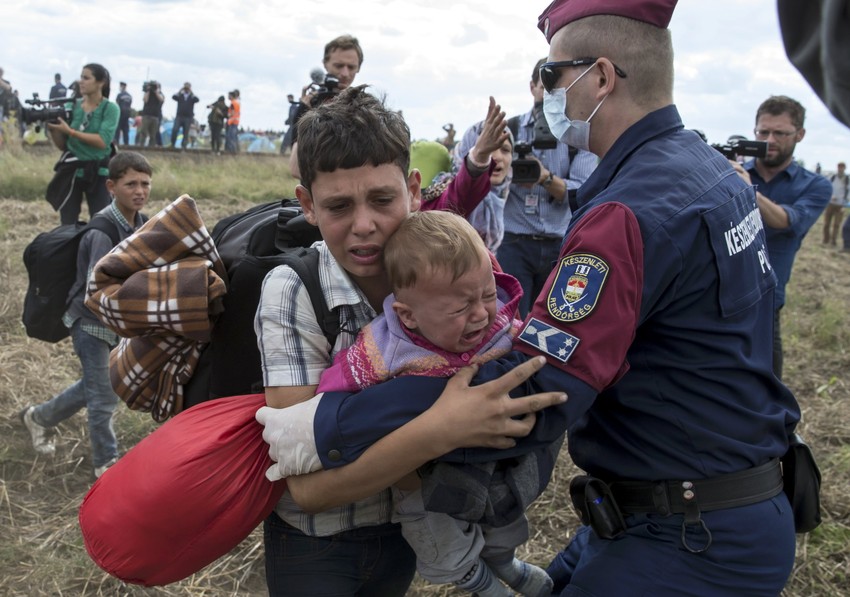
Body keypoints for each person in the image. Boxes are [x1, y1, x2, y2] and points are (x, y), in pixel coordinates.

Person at [258, 1, 807, 595]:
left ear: (599, 77)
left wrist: (332, 422)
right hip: (710, 506)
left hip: (688, 535)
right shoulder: (712, 173)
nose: (545, 91)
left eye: (551, 75)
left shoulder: (627, 211)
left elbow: (533, 386)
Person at [253, 84, 528, 597]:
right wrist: (442, 428)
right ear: (307, 205)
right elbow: (307, 490)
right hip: (317, 545)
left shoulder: (450, 266)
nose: (366, 226)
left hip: (407, 533)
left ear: (415, 189)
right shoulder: (293, 291)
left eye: (383, 199)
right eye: (338, 206)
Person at [311, 210, 550, 597]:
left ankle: (505, 560)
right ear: (409, 315)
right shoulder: (386, 348)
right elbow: (335, 390)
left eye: (488, 294)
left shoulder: (501, 324)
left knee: (505, 516)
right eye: (459, 309)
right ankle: (481, 582)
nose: (481, 314)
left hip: (488, 461)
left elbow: (535, 349)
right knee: (435, 533)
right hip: (421, 472)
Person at [20, 151, 151, 478]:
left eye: (145, 184)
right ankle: (106, 465)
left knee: (96, 386)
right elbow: (97, 287)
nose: (139, 191)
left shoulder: (143, 224)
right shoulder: (102, 231)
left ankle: (37, 417)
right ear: (111, 186)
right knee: (104, 398)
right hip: (90, 322)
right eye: (131, 183)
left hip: (115, 323)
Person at [729, 95, 831, 378]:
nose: (770, 139)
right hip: (716, 296)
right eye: (763, 132)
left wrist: (745, 190)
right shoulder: (731, 172)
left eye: (780, 133)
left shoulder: (815, 186)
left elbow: (786, 221)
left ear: (800, 134)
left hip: (766, 301)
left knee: (767, 386)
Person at [497, 57, 596, 318]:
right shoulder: (508, 131)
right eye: (544, 86)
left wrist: (544, 178)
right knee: (510, 319)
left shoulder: (577, 137)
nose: (549, 94)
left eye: (556, 88)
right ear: (532, 87)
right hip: (514, 243)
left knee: (553, 320)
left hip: (559, 244)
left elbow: (582, 193)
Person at [46, 63, 120, 225]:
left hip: (99, 172)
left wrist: (70, 131)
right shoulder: (71, 106)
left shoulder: (110, 108)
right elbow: (62, 146)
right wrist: (54, 130)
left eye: (86, 78)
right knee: (67, 224)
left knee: (102, 222)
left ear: (101, 82)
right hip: (72, 171)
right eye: (81, 77)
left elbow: (102, 141)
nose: (81, 81)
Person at [289, 34, 363, 180]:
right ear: (325, 64)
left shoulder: (363, 106)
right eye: (339, 66)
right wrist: (304, 110)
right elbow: (296, 168)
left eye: (351, 67)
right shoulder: (310, 104)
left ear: (359, 67)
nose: (345, 73)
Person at [452, 120, 514, 252]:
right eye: (488, 148)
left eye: (505, 150)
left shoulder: (501, 195)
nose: (497, 157)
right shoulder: (451, 191)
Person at [823, 162, 848, 245]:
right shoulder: (833, 177)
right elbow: (826, 187)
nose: (840, 169)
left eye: (842, 167)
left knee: (836, 224)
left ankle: (833, 241)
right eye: (839, 167)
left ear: (844, 168)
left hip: (840, 204)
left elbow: (848, 192)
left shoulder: (847, 179)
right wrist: (830, 196)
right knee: (826, 223)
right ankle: (826, 239)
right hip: (830, 203)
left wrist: (844, 204)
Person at [171, 81, 199, 149]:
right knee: (175, 130)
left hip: (188, 117)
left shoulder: (192, 97)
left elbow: (197, 99)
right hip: (179, 116)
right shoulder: (180, 95)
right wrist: (180, 90)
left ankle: (184, 146)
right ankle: (173, 144)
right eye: (185, 87)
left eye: (187, 87)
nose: (186, 89)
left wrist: (191, 91)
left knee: (185, 132)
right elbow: (174, 97)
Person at [136, 80, 163, 147]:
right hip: (146, 115)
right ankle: (141, 145)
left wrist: (156, 91)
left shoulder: (160, 94)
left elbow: (161, 100)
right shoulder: (147, 93)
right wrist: (148, 90)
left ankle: (151, 146)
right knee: (143, 132)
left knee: (153, 134)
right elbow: (145, 100)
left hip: (155, 116)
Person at [225, 89, 240, 154]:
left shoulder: (233, 103)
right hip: (235, 121)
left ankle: (232, 151)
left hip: (232, 122)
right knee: (233, 137)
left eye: (229, 96)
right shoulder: (236, 103)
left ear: (232, 96)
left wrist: (228, 115)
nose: (228, 97)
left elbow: (232, 113)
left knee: (231, 137)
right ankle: (235, 150)